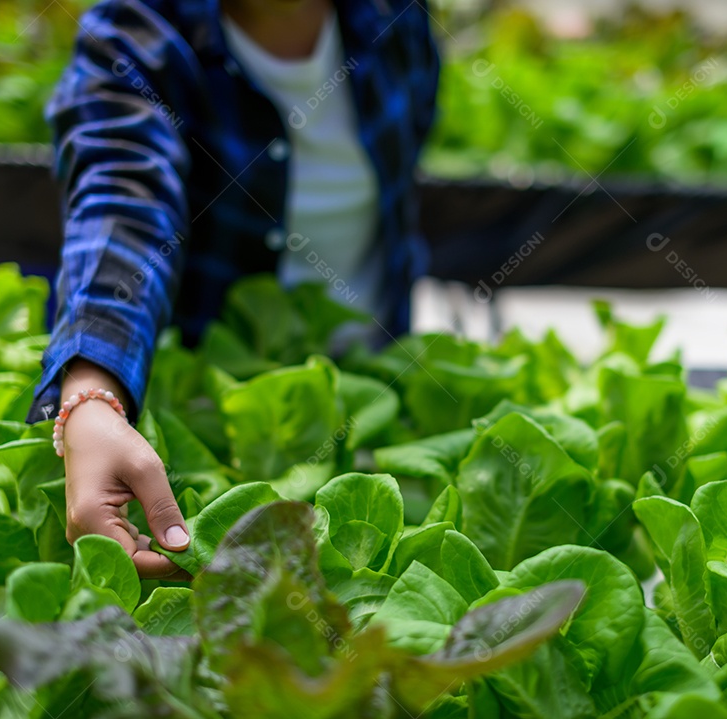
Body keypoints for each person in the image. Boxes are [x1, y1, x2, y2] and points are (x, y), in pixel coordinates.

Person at [26, 0, 440, 579]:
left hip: (375, 394)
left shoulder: (398, 18)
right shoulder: (139, 34)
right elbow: (124, 208)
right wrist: (93, 395)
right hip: (204, 422)